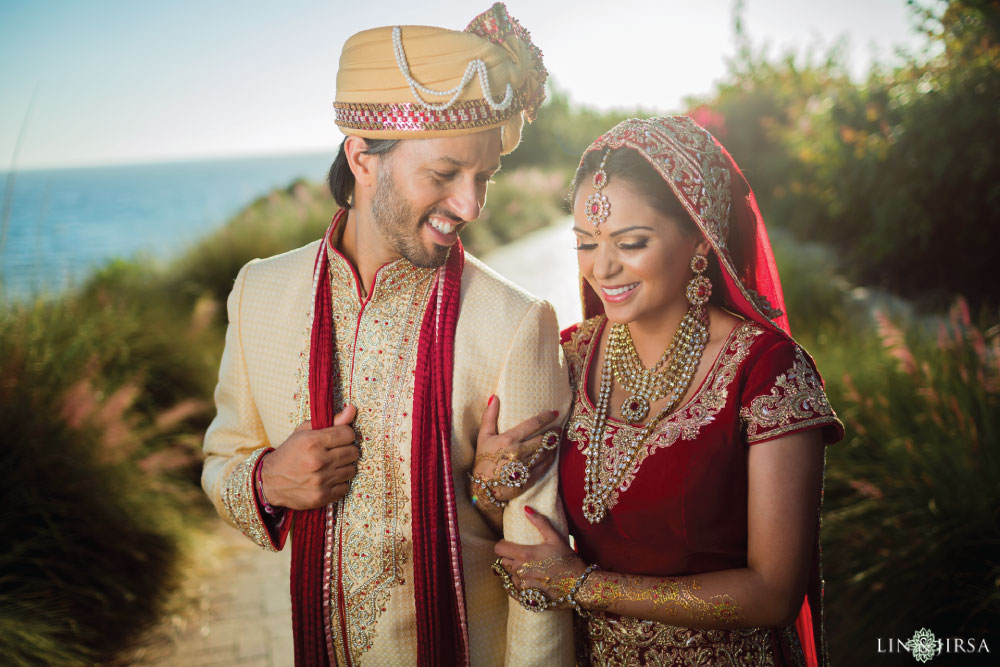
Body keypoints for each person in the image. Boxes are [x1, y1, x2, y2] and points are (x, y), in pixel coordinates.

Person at [200, 4, 575, 665]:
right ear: (361, 156)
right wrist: (267, 481)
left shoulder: (517, 321)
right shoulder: (259, 293)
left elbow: (538, 567)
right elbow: (220, 463)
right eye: (445, 173)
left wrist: (488, 493)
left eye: (483, 177)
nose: (470, 204)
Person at [488, 116, 845, 666]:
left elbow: (774, 592)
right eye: (585, 242)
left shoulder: (766, 372)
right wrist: (489, 481)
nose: (601, 268)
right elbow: (516, 521)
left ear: (698, 239)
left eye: (630, 243)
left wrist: (585, 587)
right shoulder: (570, 357)